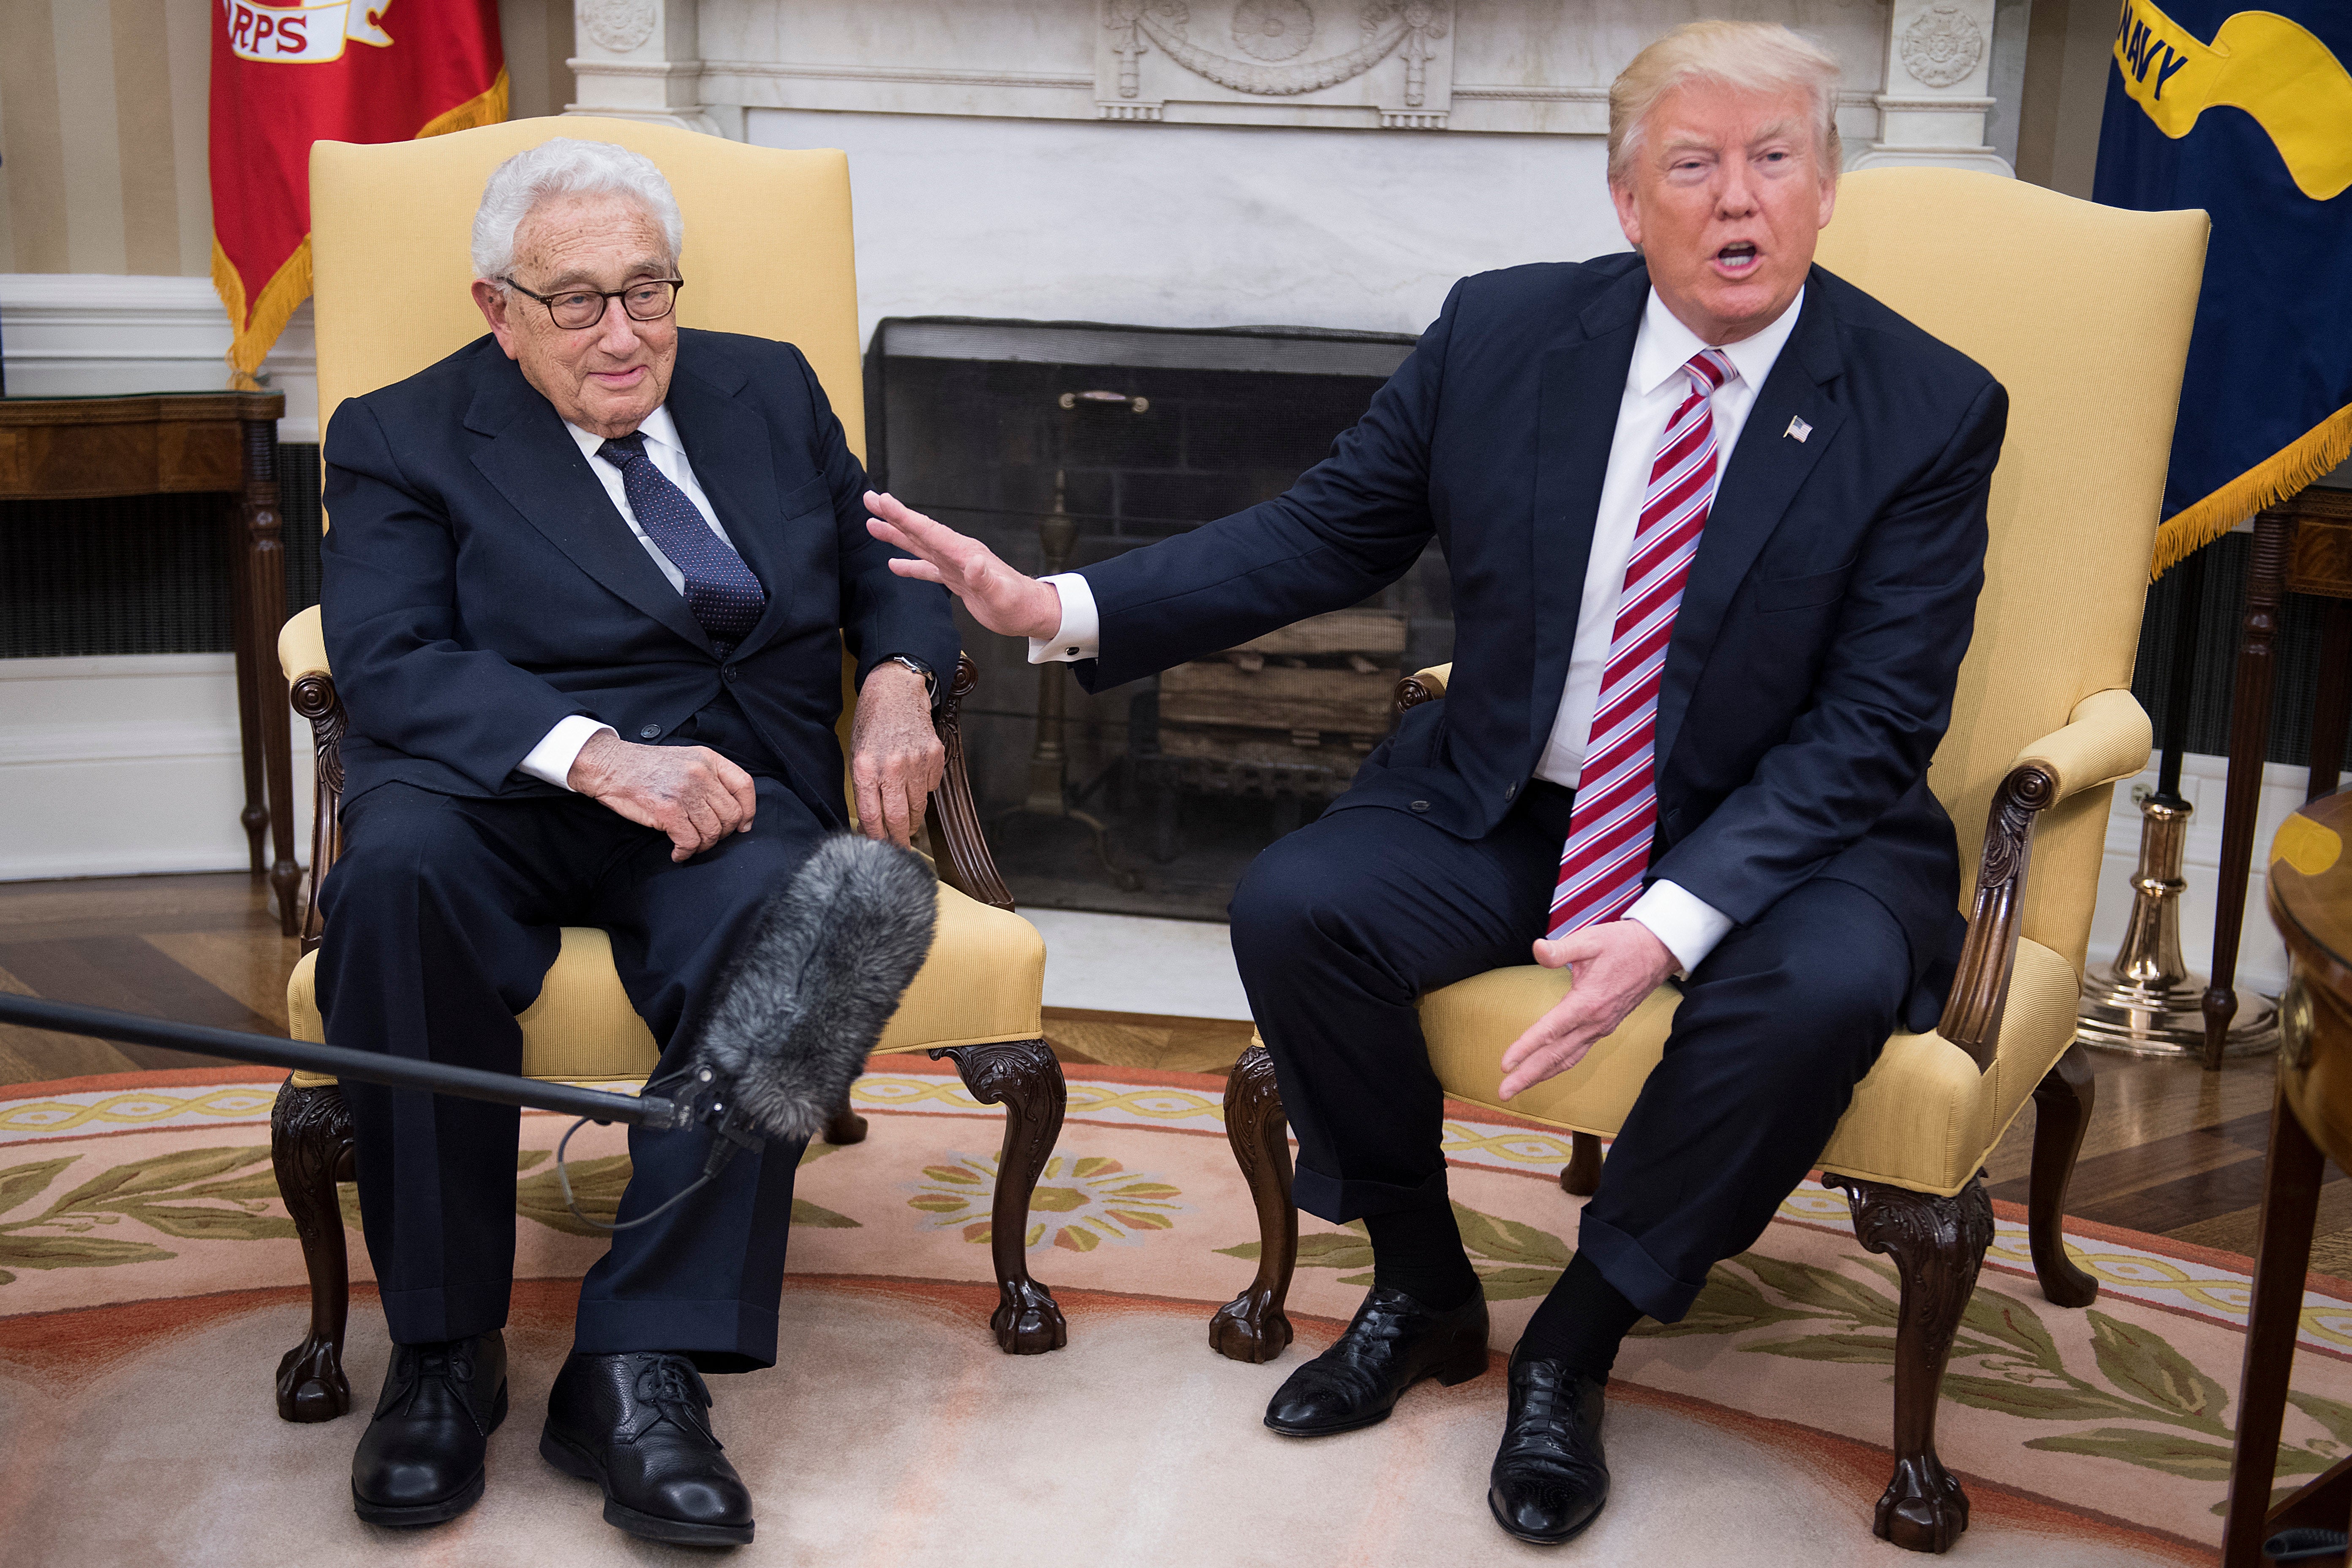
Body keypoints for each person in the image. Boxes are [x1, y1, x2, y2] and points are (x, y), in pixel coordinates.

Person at [866, 20, 2004, 1547]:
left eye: (1775, 159)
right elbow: (1324, 533)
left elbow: (1873, 722)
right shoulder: (1507, 334)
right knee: (1298, 906)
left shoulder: (1926, 406)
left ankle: (1578, 1344)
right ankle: (1423, 1283)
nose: (1741, 199)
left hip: (1795, 834)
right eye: (1696, 163)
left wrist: (1670, 925)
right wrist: (1058, 607)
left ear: (1826, 185)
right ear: (1627, 200)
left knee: (1807, 998)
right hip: (1525, 796)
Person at [316, 137, 956, 1546]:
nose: (623, 333)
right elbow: (390, 654)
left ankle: (635, 1363)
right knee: (396, 890)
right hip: (501, 780)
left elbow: (886, 562)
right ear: (499, 307)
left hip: (729, 788)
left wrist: (901, 678)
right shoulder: (399, 431)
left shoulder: (768, 383)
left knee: (825, 922)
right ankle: (442, 1351)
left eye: (647, 291)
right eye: (578, 300)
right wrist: (599, 756)